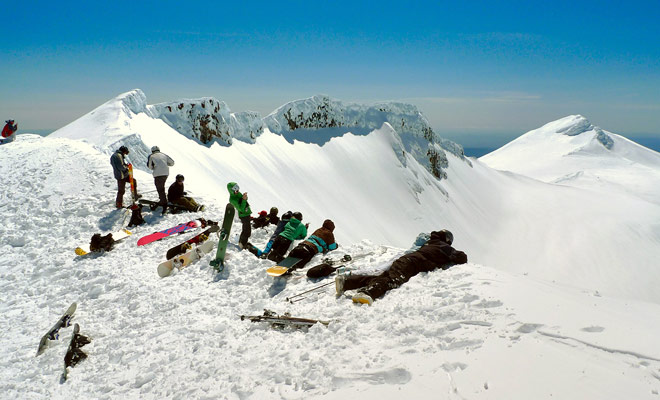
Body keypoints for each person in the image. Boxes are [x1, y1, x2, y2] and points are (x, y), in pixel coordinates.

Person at [336, 230, 467, 306]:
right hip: (411, 263)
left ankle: (347, 282)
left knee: (384, 277)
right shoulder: (445, 247)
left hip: (407, 260)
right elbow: (462, 257)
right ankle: (367, 293)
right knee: (394, 280)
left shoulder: (431, 243)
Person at [147, 146, 174, 213]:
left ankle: (164, 203)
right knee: (161, 187)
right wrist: (165, 164)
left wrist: (155, 167)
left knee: (160, 189)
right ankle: (162, 199)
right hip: (166, 173)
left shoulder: (151, 156)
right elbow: (172, 163)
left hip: (157, 174)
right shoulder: (164, 155)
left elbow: (150, 166)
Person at [227, 182, 252, 249]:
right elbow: (241, 209)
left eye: (237, 188)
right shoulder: (232, 199)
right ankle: (242, 244)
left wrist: (245, 198)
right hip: (244, 215)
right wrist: (244, 199)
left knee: (247, 230)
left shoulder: (238, 194)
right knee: (246, 231)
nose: (237, 191)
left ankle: (242, 243)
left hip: (246, 213)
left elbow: (243, 201)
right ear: (231, 190)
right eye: (235, 189)